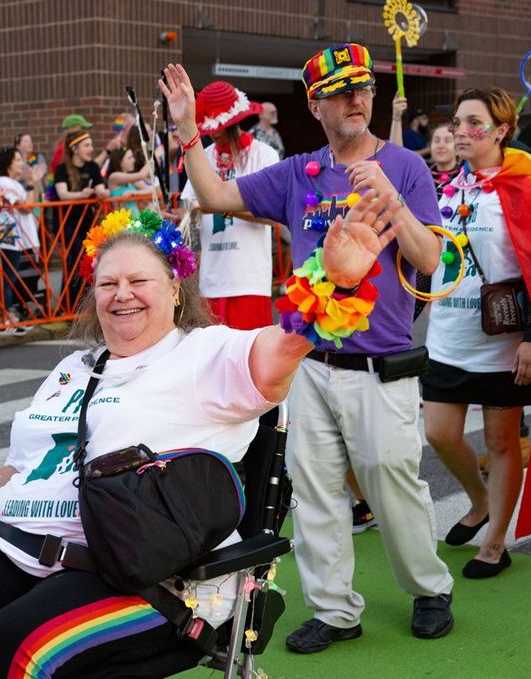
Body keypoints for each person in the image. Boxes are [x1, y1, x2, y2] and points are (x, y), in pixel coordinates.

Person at [0, 190, 406, 677]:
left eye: (139, 280)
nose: (122, 294)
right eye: (107, 283)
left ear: (174, 288)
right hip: (26, 546)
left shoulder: (206, 354)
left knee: (13, 647)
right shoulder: (75, 367)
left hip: (146, 571)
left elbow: (283, 350)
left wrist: (334, 285)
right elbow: (23, 464)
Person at [161, 44, 455, 653]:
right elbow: (216, 197)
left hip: (382, 364)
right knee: (314, 489)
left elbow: (432, 262)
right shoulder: (298, 172)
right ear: (316, 104)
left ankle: (429, 588)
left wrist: (394, 202)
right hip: (309, 363)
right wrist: (189, 131)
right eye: (343, 91)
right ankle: (335, 609)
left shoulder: (405, 166)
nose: (357, 99)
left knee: (390, 479)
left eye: (364, 89)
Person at [422, 87, 531, 579]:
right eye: (458, 123)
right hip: (447, 338)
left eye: (472, 123)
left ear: (501, 130)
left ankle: (496, 541)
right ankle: (480, 499)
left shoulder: (528, 188)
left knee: (503, 442)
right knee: (439, 433)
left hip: (503, 348)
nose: (460, 132)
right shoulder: (444, 188)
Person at [180, 81, 279, 331]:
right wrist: (180, 220)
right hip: (211, 279)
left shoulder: (264, 155)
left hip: (249, 279)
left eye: (219, 127)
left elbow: (273, 216)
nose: (214, 133)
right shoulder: (201, 157)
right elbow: (190, 214)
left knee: (249, 363)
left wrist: (220, 206)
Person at [53, 130, 109, 309]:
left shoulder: (92, 166)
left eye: (91, 145)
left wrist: (101, 192)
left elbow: (102, 189)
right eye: (87, 145)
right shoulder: (61, 169)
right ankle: (68, 305)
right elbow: (63, 194)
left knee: (88, 259)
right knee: (75, 258)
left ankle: (83, 303)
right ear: (75, 148)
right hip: (67, 221)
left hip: (87, 220)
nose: (91, 149)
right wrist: (81, 195)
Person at [0, 146, 41, 324]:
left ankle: (11, 313)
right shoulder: (4, 183)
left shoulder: (14, 184)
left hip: (19, 237)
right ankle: (6, 316)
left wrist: (32, 184)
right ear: (8, 163)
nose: (22, 164)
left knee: (16, 278)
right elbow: (26, 207)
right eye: (18, 160)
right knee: (7, 278)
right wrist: (33, 183)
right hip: (8, 237)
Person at [106, 147, 154, 212]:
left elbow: (151, 190)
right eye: (130, 158)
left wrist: (135, 193)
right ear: (120, 162)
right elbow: (141, 175)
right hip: (123, 221)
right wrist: (153, 158)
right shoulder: (114, 176)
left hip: (135, 220)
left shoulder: (130, 179)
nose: (134, 160)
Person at [428, 121, 461, 198]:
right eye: (436, 141)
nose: (440, 146)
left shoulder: (466, 177)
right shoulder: (422, 174)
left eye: (448, 141)